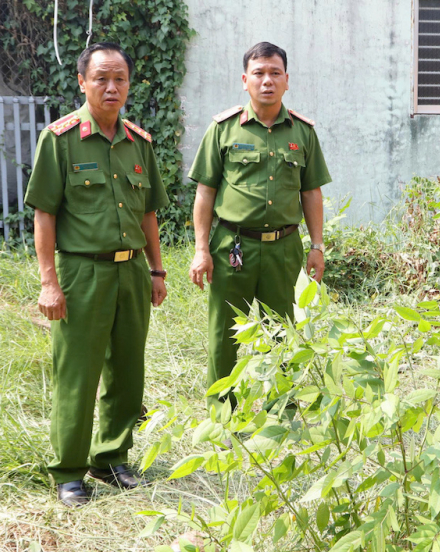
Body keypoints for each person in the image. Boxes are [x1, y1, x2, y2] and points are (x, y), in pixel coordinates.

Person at [24, 42, 170, 507]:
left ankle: (111, 458)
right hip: (81, 272)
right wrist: (49, 282)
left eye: (120, 79)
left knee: (128, 370)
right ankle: (69, 471)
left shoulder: (139, 143)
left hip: (131, 273)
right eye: (102, 78)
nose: (112, 87)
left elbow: (149, 214)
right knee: (78, 373)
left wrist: (157, 270)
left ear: (129, 84)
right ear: (83, 82)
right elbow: (44, 215)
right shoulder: (60, 139)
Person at [187, 42, 331, 412]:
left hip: (284, 247)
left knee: (283, 329)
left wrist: (317, 246)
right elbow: (205, 193)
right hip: (232, 246)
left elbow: (311, 192)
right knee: (225, 333)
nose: (267, 81)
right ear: (245, 80)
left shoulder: (302, 132)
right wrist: (201, 249)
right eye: (259, 73)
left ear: (286, 81)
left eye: (275, 73)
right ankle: (223, 413)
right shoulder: (222, 129)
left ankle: (281, 411)